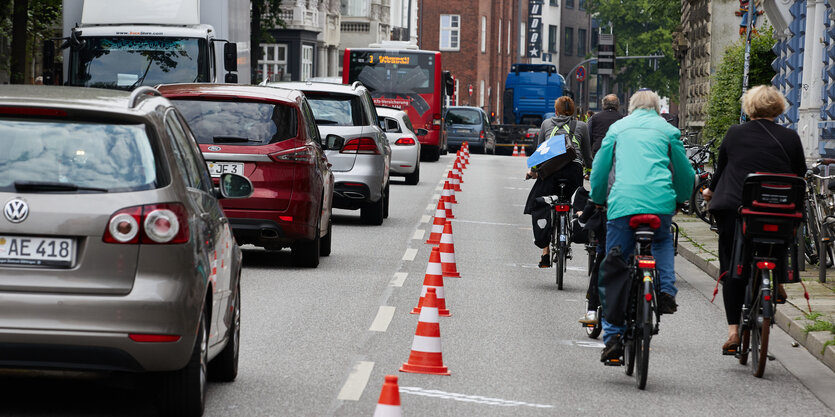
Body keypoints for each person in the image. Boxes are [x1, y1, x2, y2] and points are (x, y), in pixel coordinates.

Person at [590, 89, 695, 362]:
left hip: (623, 204)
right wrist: (682, 197)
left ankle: (612, 336)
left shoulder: (618, 128)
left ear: (631, 107)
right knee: (661, 242)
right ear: (656, 108)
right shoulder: (668, 130)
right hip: (660, 203)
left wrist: (599, 198)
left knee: (615, 264)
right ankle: (666, 291)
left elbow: (601, 167)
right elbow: (684, 170)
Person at [702, 85, 806, 355]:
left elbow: (721, 169)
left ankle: (733, 332)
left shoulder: (735, 134)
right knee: (780, 235)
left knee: (731, 266)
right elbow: (800, 175)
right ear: (779, 106)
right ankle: (778, 278)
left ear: (749, 107)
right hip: (779, 210)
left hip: (737, 209)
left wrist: (709, 193)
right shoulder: (791, 137)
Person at [524, 96, 592, 267]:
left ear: (556, 110)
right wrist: (589, 171)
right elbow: (587, 156)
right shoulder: (582, 126)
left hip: (551, 171)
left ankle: (545, 252)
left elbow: (540, 152)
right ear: (573, 111)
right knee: (576, 201)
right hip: (574, 171)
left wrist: (533, 172)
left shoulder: (546, 124)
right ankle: (575, 224)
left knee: (541, 203)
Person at [577, 94, 622, 325]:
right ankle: (662, 285)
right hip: (651, 213)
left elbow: (599, 189)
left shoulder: (595, 121)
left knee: (604, 256)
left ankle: (593, 309)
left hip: (597, 163)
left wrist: (586, 213)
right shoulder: (624, 124)